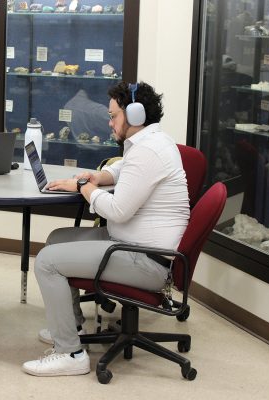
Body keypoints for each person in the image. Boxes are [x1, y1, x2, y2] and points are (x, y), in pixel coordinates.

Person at [22, 81, 189, 376]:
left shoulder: (148, 151)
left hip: (145, 260)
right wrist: (99, 176)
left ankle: (70, 354)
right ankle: (69, 325)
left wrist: (85, 187)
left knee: (48, 262)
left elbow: (118, 211)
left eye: (113, 116)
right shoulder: (151, 143)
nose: (109, 122)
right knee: (57, 239)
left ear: (135, 116)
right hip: (136, 247)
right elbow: (123, 168)